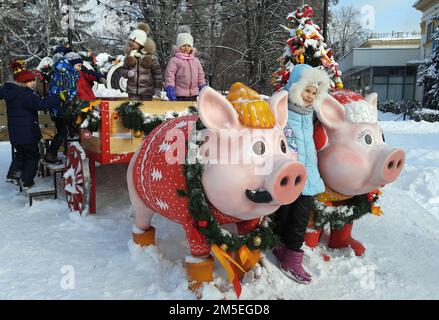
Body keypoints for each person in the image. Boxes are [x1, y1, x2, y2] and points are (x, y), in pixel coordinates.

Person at [272, 64, 330, 284]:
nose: (309, 96)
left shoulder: (311, 114)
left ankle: (293, 258)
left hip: (308, 175)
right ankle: (281, 247)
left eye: (314, 93)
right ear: (295, 88)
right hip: (289, 174)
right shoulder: (283, 109)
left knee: (300, 218)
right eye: (306, 90)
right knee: (283, 215)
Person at [0, 59, 63, 189]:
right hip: (27, 134)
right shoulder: (25, 95)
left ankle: (13, 174)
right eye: (30, 81)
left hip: (16, 135)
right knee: (33, 156)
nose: (33, 83)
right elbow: (43, 104)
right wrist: (57, 98)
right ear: (22, 83)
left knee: (21, 154)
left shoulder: (12, 93)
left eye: (34, 80)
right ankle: (26, 181)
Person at [44, 51, 82, 164]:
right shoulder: (62, 73)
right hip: (59, 109)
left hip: (66, 107)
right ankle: (50, 153)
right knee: (63, 131)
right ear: (71, 63)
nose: (80, 68)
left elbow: (71, 90)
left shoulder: (70, 73)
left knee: (67, 130)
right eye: (79, 65)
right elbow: (54, 90)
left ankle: (70, 151)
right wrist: (61, 100)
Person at [121, 22, 163, 101]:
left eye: (134, 41)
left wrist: (157, 87)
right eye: (130, 40)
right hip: (132, 91)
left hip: (147, 91)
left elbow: (157, 74)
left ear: (141, 42)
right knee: (134, 110)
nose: (131, 43)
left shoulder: (151, 58)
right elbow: (123, 70)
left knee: (145, 110)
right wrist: (127, 73)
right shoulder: (129, 56)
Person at [165, 26, 206, 102]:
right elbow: (170, 76)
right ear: (179, 47)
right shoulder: (174, 60)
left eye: (189, 45)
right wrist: (170, 87)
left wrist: (202, 85)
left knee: (191, 112)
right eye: (183, 45)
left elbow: (200, 75)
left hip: (193, 94)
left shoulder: (196, 61)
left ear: (191, 47)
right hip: (179, 95)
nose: (186, 48)